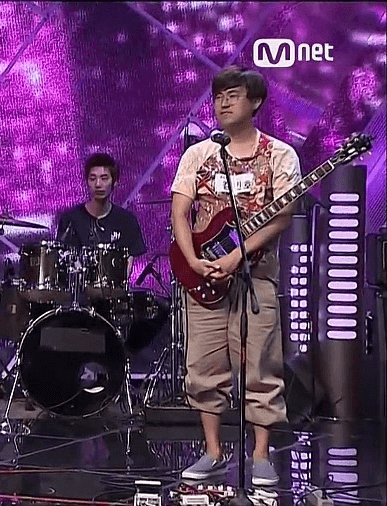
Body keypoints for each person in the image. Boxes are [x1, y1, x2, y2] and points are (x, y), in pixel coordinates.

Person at [170, 66, 300, 486]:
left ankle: (260, 454)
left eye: (233, 95)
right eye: (218, 96)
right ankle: (212, 451)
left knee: (260, 364)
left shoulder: (279, 154)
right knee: (203, 366)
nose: (223, 103)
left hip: (255, 277)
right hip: (203, 276)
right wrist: (193, 261)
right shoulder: (198, 154)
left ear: (255, 102)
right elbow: (179, 211)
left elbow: (283, 215)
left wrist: (237, 256)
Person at [56, 152, 147, 275]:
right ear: (86, 182)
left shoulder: (127, 221)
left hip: (114, 286)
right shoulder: (70, 219)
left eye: (104, 178)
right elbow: (63, 260)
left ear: (115, 182)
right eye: (92, 179)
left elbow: (127, 268)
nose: (98, 184)